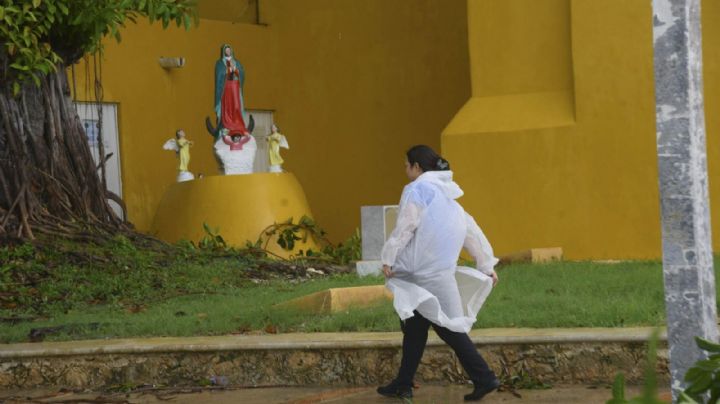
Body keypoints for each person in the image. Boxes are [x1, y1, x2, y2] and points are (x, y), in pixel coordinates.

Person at [377, 145, 500, 401]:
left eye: (406, 165)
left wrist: (388, 257)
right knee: (414, 328)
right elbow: (470, 232)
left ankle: (485, 377)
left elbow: (406, 226)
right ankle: (403, 382)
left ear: (417, 167)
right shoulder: (448, 197)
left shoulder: (417, 189)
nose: (405, 169)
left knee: (448, 329)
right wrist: (486, 265)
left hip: (418, 273)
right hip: (439, 273)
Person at [214, 44, 250, 137]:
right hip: (226, 87)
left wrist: (237, 71)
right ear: (223, 52)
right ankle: (227, 123)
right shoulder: (220, 63)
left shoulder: (236, 62)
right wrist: (227, 71)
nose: (228, 52)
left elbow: (242, 73)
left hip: (235, 86)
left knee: (236, 105)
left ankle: (238, 124)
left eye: (229, 50)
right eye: (226, 50)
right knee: (227, 105)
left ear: (231, 51)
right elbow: (219, 75)